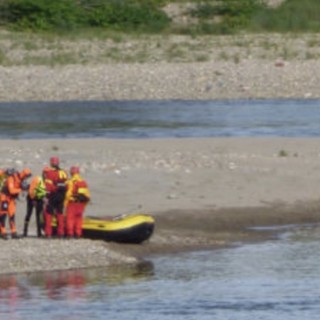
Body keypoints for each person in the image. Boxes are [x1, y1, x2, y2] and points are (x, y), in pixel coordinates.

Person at [0, 168, 32, 239]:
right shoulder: (12, 177)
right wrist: (21, 189)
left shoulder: (21, 181)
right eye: (27, 176)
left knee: (12, 215)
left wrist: (25, 188)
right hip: (5, 197)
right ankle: (3, 232)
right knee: (3, 215)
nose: (26, 178)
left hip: (12, 199)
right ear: (24, 174)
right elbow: (11, 190)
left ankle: (13, 232)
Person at [42, 156, 68, 238]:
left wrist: (47, 195)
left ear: (51, 163)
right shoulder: (64, 172)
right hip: (62, 196)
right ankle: (61, 233)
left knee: (48, 213)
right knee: (60, 213)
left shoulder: (50, 173)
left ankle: (48, 233)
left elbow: (48, 186)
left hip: (53, 195)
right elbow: (67, 185)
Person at [65, 166, 90, 238]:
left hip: (72, 203)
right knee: (79, 218)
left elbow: (68, 194)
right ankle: (78, 233)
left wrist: (65, 203)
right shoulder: (83, 181)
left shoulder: (70, 181)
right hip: (81, 204)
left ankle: (70, 233)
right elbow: (87, 195)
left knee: (70, 219)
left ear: (71, 172)